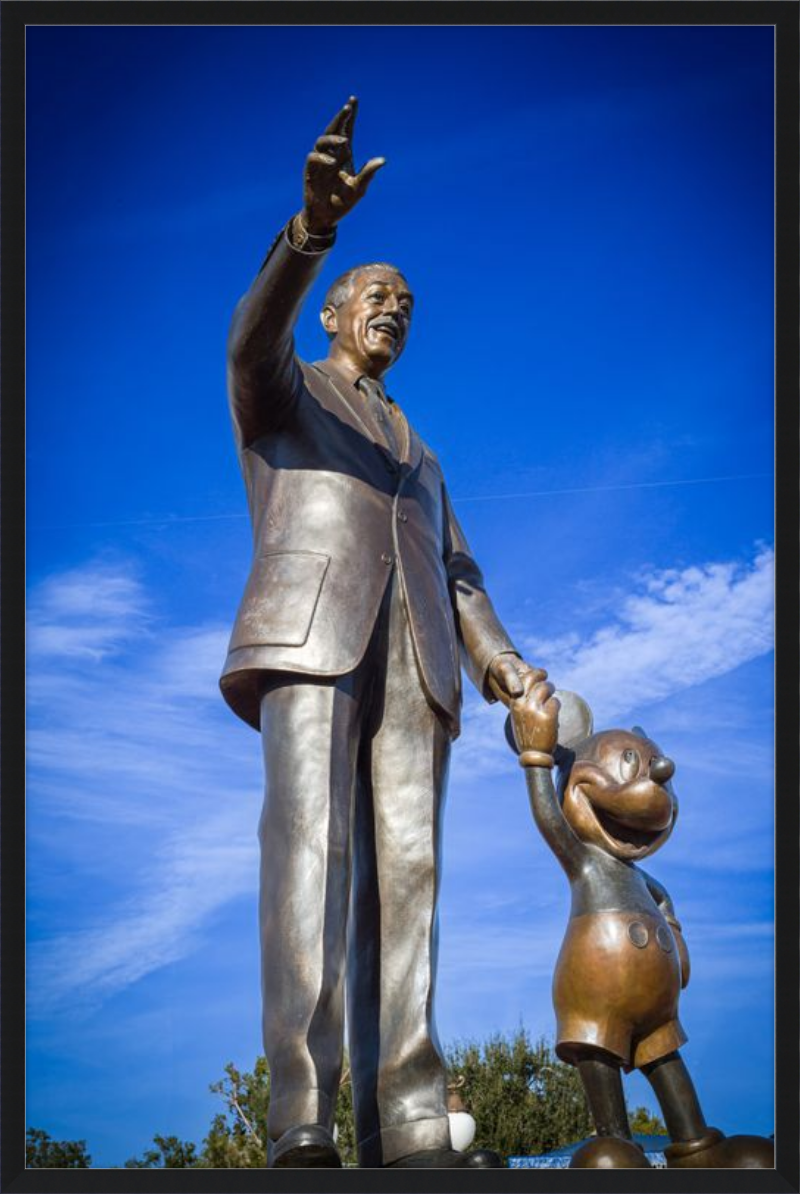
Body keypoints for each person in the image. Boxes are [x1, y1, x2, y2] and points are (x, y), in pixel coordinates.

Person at [220, 97, 543, 1169]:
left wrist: (499, 662)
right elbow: (247, 336)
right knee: (312, 863)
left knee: (409, 882)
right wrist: (312, 234)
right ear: (332, 313)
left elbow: (457, 570)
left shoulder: (422, 452)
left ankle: (406, 1116)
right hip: (311, 637)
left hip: (421, 664)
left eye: (403, 300)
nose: (391, 308)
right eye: (373, 294)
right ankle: (301, 1117)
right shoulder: (284, 390)